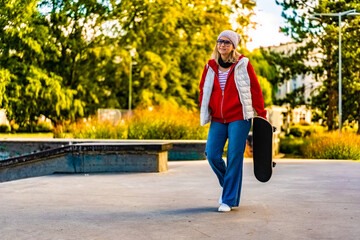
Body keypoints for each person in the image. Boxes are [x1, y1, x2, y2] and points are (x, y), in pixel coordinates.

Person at [199, 30, 267, 212]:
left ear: (233, 46)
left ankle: (228, 200)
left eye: (227, 42)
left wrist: (262, 114)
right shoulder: (210, 66)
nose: (222, 45)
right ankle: (229, 188)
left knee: (234, 156)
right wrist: (205, 109)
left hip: (239, 116)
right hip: (218, 118)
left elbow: (255, 89)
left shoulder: (243, 64)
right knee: (212, 154)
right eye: (220, 41)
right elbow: (203, 90)